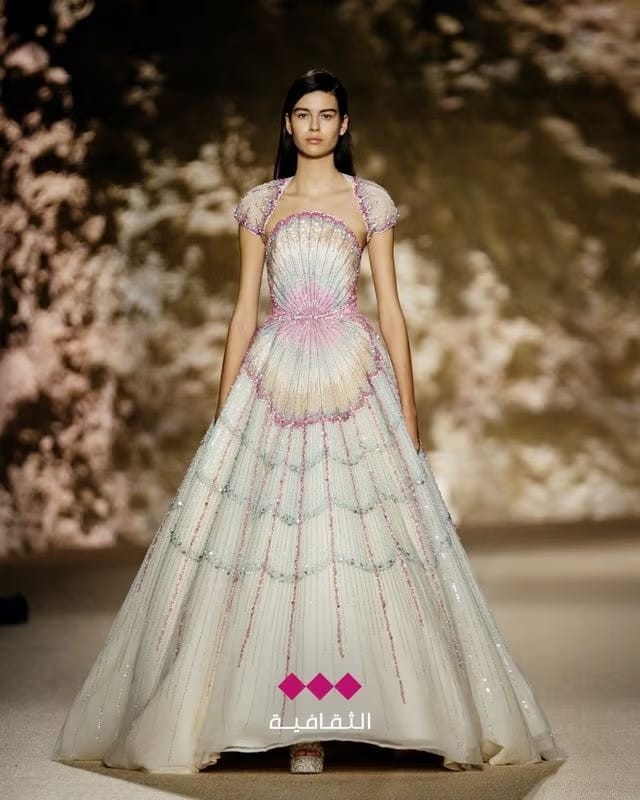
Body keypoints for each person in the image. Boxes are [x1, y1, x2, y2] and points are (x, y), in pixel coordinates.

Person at [51, 68, 567, 776]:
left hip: (353, 380)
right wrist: (224, 412)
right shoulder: (260, 204)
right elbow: (243, 312)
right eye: (303, 114)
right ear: (287, 124)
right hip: (275, 383)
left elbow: (391, 310)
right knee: (273, 546)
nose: (315, 126)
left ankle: (375, 711)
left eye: (327, 114)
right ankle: (292, 721)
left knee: (351, 541)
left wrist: (409, 415)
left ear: (344, 125)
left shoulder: (369, 202)